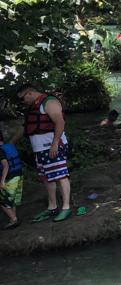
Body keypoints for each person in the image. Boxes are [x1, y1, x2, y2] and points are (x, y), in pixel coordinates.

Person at [9, 84, 72, 222]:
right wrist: (11, 143)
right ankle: (52, 207)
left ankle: (66, 207)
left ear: (29, 93)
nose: (22, 102)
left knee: (60, 175)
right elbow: (25, 127)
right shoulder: (32, 107)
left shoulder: (49, 102)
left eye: (22, 99)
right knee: (46, 177)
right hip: (39, 150)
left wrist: (55, 143)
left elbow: (60, 122)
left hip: (53, 146)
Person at [1, 128, 22, 229]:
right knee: (12, 200)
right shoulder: (9, 146)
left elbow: (6, 166)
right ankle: (13, 219)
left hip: (10, 178)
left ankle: (14, 219)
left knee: (3, 201)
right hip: (18, 176)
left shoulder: (0, 150)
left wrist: (2, 181)